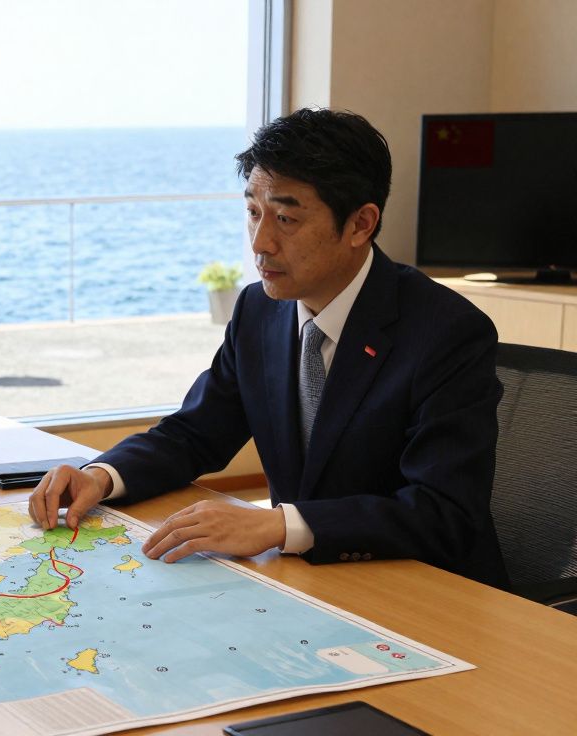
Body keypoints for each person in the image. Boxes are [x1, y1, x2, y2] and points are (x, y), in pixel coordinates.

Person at [30, 108, 508, 587]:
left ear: (361, 224)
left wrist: (277, 525)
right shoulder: (259, 311)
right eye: (253, 213)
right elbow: (195, 433)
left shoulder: (447, 333)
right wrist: (102, 476)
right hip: (311, 584)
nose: (261, 243)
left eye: (285, 218)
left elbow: (442, 511)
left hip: (428, 591)